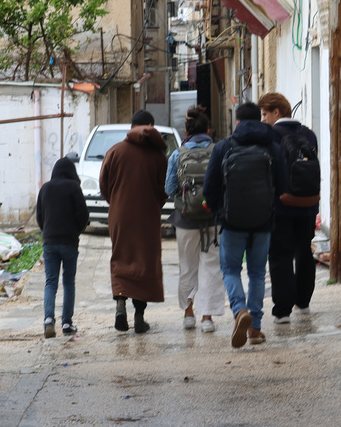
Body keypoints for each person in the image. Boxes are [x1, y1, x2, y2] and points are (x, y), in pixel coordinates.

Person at [203, 102, 288, 348]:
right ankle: (255, 328)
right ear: (260, 121)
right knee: (257, 273)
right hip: (263, 221)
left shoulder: (223, 147)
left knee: (230, 269)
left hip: (231, 222)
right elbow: (283, 187)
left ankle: (240, 310)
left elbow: (210, 188)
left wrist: (220, 212)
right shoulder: (272, 146)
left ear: (237, 121)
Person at [99, 109, 169, 333]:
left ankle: (120, 305)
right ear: (150, 127)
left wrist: (118, 201)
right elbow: (163, 189)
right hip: (148, 216)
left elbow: (104, 185)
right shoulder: (158, 156)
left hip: (120, 215)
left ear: (131, 127)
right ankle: (139, 316)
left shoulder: (115, 151)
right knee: (144, 261)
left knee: (121, 258)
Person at [258, 92, 320, 324]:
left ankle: (282, 310)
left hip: (281, 205)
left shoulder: (270, 136)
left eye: (265, 114)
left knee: (280, 255)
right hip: (308, 205)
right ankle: (303, 301)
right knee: (304, 250)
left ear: (277, 112)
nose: (263, 119)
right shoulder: (309, 134)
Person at [165, 106, 224, 333]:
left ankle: (188, 314)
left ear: (186, 130)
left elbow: (169, 187)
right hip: (213, 218)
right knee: (211, 267)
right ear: (208, 129)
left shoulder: (177, 154)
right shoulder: (218, 151)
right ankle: (207, 318)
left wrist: (186, 198)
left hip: (186, 220)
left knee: (187, 267)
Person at [35, 156, 90, 338]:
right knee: (68, 282)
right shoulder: (74, 187)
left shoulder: (45, 188)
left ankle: (48, 321)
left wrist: (47, 233)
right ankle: (67, 323)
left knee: (51, 282)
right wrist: (77, 231)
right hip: (69, 243)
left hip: (49, 243)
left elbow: (40, 217)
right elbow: (84, 214)